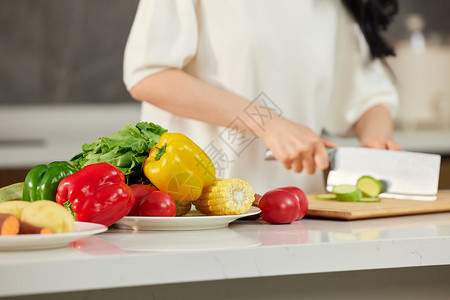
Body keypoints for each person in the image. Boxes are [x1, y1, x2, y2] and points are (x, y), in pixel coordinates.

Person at [123, 0, 402, 194]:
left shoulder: (330, 6)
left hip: (298, 214)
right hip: (196, 209)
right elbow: (149, 75)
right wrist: (268, 122)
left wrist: (375, 143)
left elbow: (369, 97)